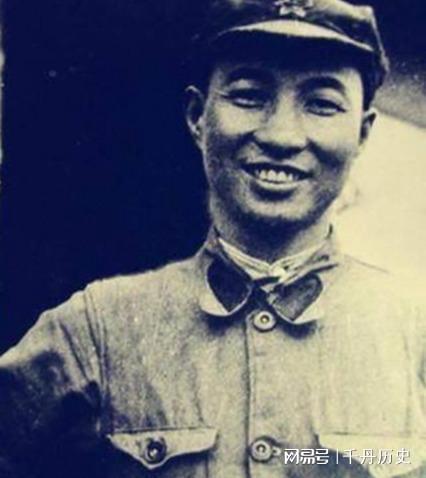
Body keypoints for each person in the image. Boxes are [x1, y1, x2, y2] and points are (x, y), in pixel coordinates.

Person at [0, 0, 424, 477]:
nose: (282, 135)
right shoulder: (96, 330)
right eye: (249, 96)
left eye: (322, 104)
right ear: (198, 116)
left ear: (363, 132)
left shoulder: (415, 333)